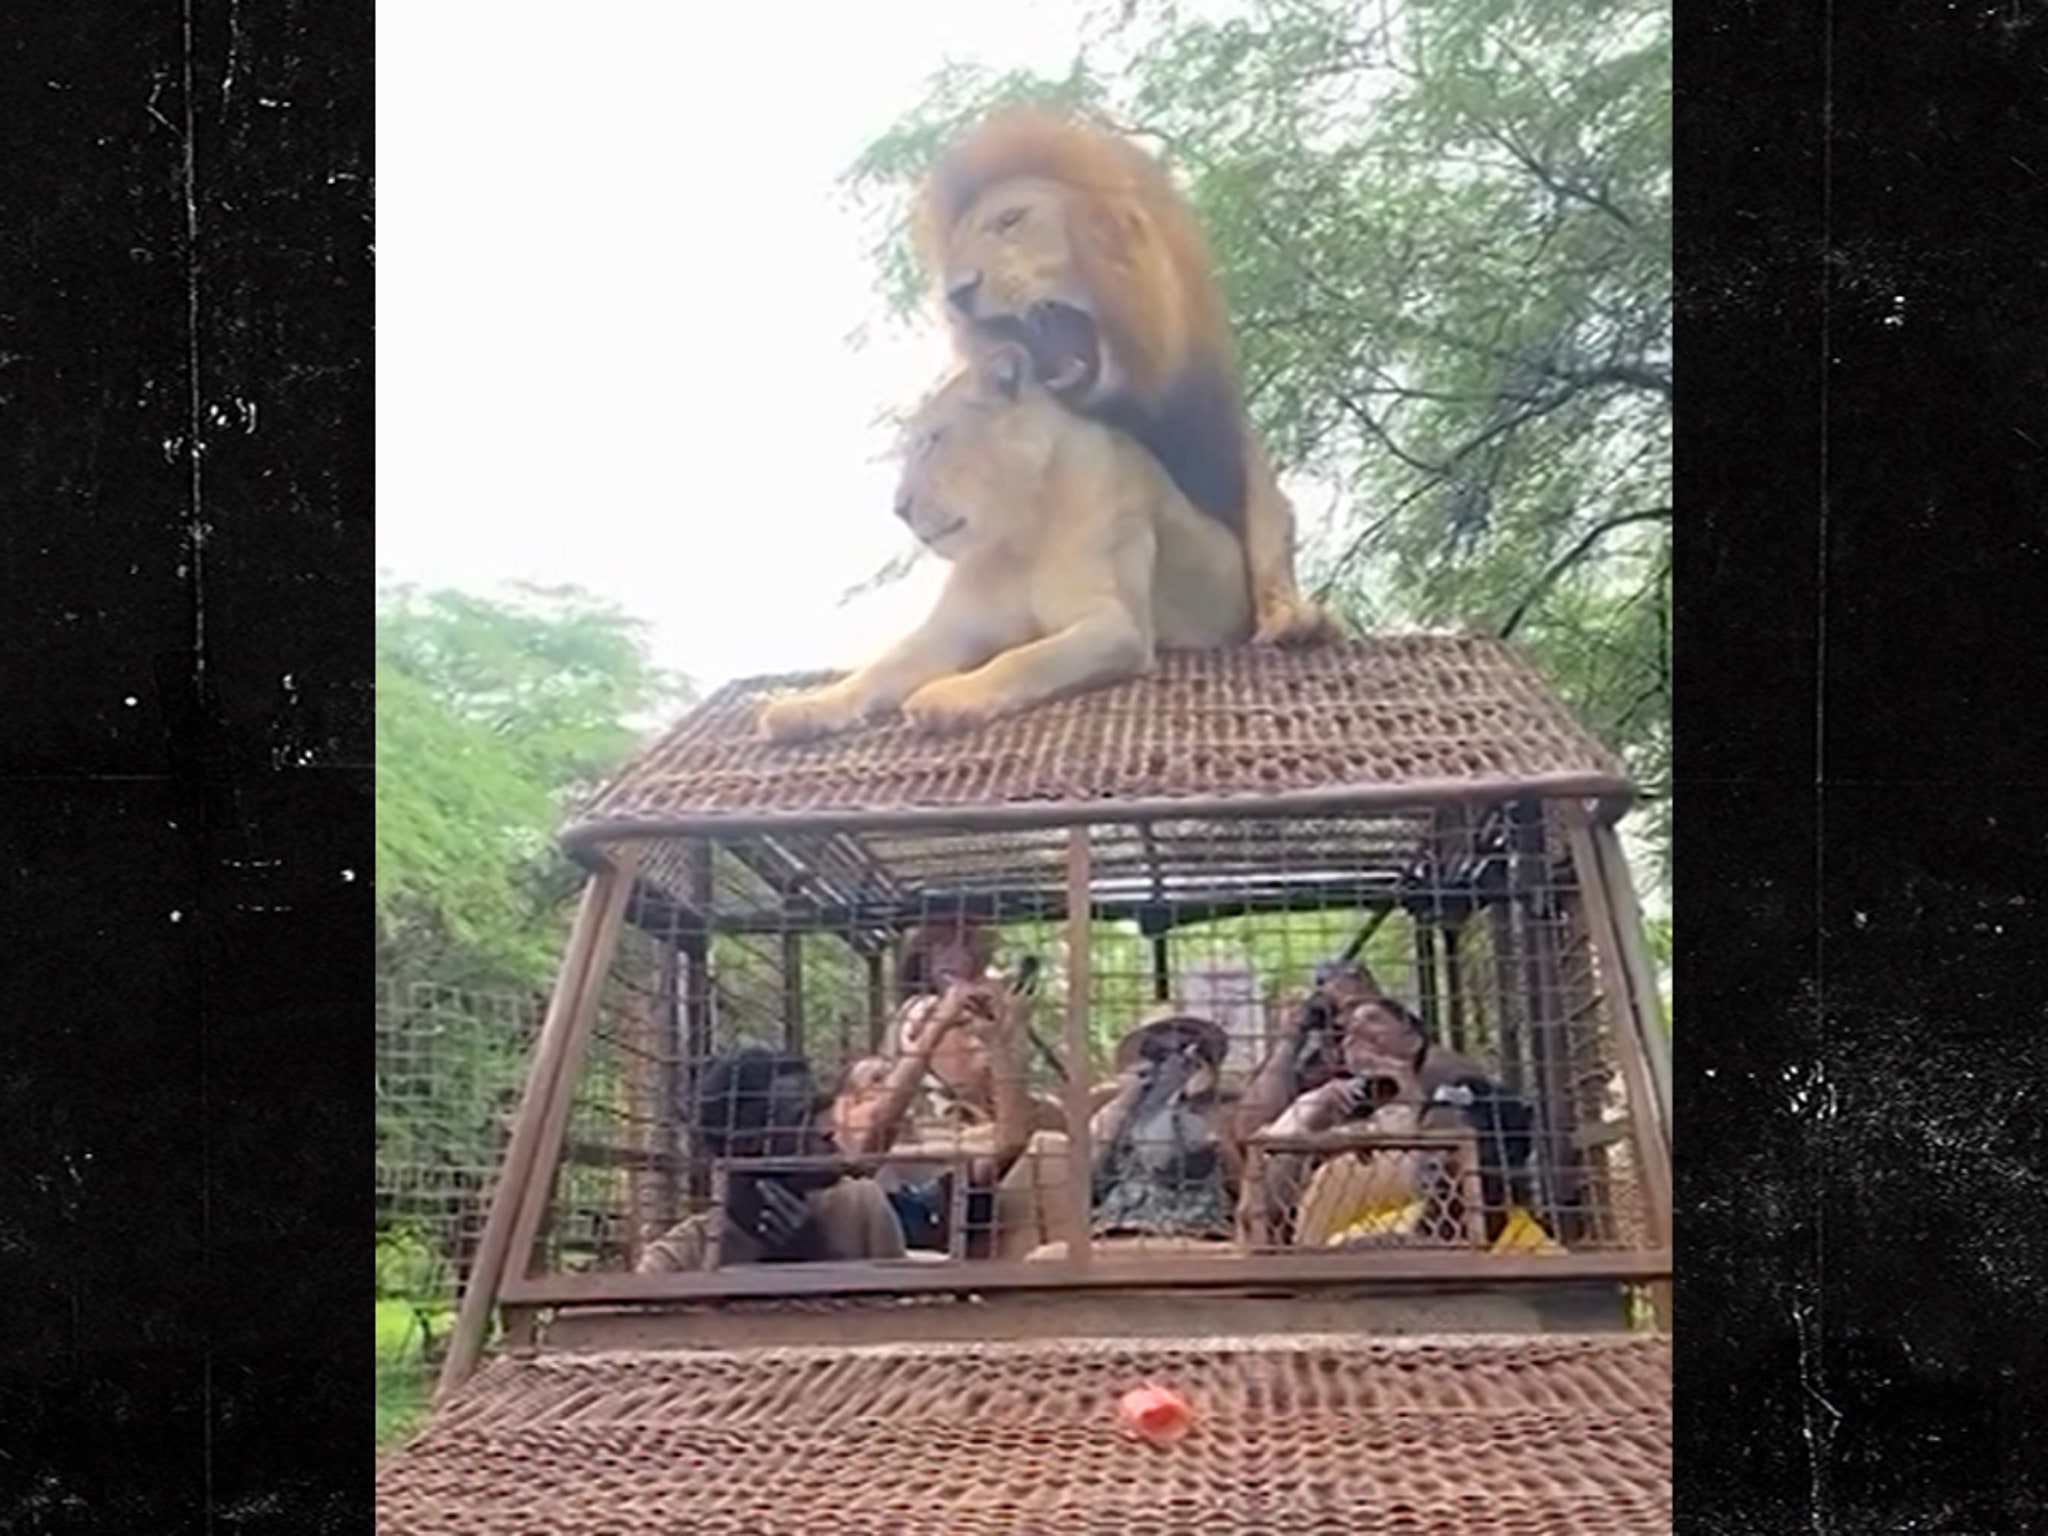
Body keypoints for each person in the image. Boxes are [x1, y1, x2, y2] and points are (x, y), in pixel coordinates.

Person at [1238, 979, 1559, 1253]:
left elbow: (1467, 1167)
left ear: (1411, 1035)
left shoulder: (1452, 1083)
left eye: (1372, 1019)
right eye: (1346, 1033)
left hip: (1447, 1239)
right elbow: (1251, 1142)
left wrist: (1404, 1087)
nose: (1357, 1031)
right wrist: (1309, 1116)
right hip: (1342, 1239)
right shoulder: (1330, 1103)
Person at [827, 975, 1054, 1257]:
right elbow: (872, 1134)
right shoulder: (841, 1167)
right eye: (876, 1082)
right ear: (843, 1106)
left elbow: (1011, 1141)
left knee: (1046, 1150)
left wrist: (996, 1040)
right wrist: (939, 1023)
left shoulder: (929, 1181)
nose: (892, 1090)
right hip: (872, 1258)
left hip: (935, 1230)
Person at [636, 1047, 906, 1272]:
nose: (827, 1130)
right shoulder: (677, 1260)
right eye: (801, 1120)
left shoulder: (860, 1207)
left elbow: (905, 1327)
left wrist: (815, 1256)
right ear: (747, 1145)